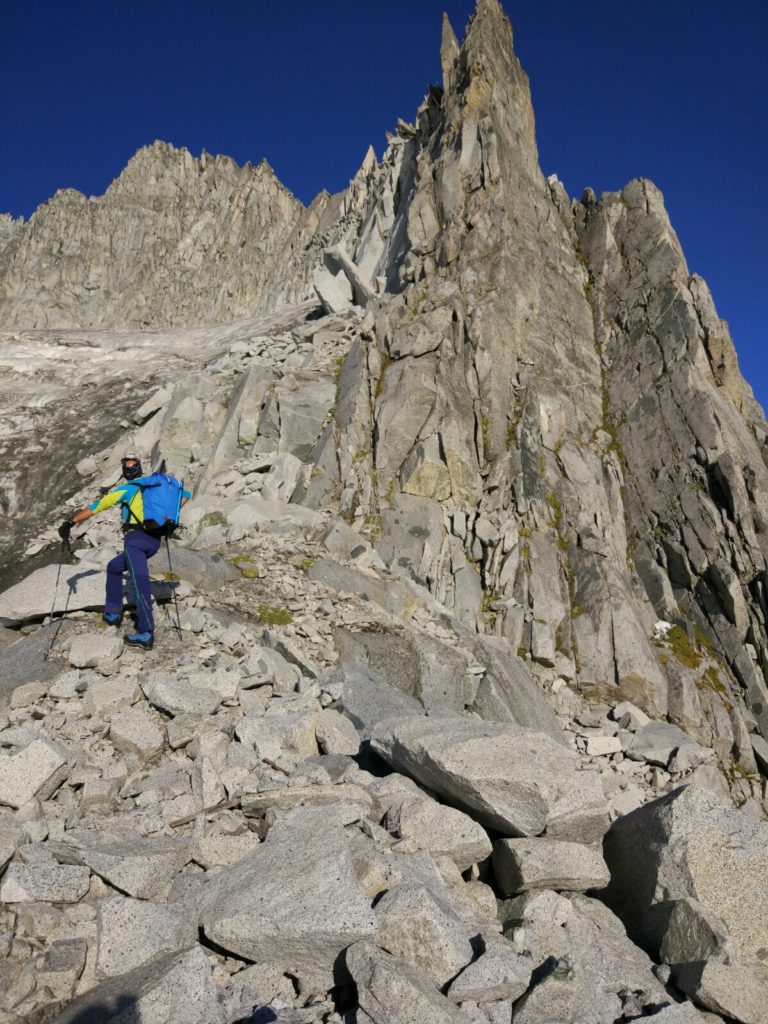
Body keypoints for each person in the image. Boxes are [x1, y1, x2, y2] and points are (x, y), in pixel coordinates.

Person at [59, 455, 190, 651]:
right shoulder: (152, 486)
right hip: (153, 541)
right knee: (114, 567)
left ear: (126, 472)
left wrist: (70, 522)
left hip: (135, 541)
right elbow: (186, 494)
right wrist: (166, 513)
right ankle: (113, 612)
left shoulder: (127, 489)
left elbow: (98, 506)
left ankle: (146, 633)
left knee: (139, 582)